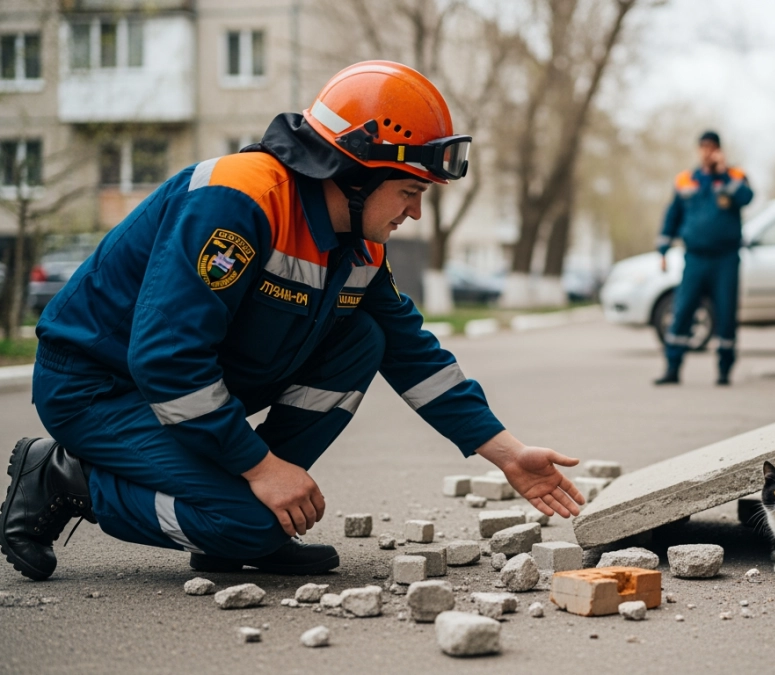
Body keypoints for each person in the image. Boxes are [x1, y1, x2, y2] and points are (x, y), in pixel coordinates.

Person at [0, 61, 585, 582]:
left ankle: (242, 514)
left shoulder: (358, 244)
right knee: (250, 525)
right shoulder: (236, 201)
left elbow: (414, 354)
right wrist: (260, 467)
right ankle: (63, 475)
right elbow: (166, 361)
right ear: (355, 174)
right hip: (97, 389)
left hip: (180, 393)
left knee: (365, 337)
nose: (416, 211)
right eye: (409, 190)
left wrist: (507, 454)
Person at [654, 130, 753, 386]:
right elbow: (672, 216)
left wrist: (722, 173)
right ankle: (672, 368)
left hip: (726, 259)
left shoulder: (734, 176)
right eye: (703, 147)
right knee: (683, 310)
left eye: (712, 147)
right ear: (698, 150)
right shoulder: (686, 180)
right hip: (695, 258)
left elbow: (746, 198)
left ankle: (724, 370)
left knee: (725, 313)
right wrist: (663, 249)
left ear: (719, 150)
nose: (707, 152)